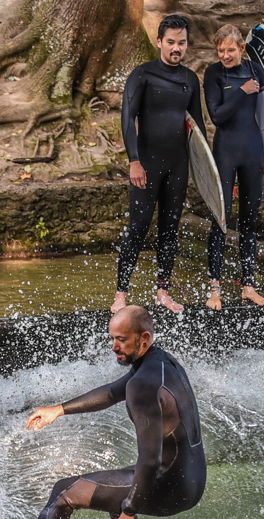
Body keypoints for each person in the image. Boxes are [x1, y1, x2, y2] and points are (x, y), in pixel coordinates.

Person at [0, 306, 206, 519]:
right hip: (191, 479)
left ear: (144, 338)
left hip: (171, 488)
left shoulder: (144, 387)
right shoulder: (160, 364)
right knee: (113, 482)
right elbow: (113, 391)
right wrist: (58, 410)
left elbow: (149, 461)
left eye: (122, 340)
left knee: (64, 493)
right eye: (112, 338)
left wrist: (128, 513)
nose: (114, 347)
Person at [114, 14, 205, 315]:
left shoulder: (191, 80)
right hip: (147, 164)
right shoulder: (142, 75)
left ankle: (162, 291)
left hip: (178, 165)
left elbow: (198, 129)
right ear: (159, 42)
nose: (176, 48)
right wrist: (134, 161)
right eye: (171, 42)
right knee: (138, 227)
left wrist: (208, 173)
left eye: (181, 43)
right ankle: (121, 293)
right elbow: (128, 119)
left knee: (170, 229)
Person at [203, 24, 264, 311]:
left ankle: (248, 285)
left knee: (250, 220)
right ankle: (215, 287)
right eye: (220, 51)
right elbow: (217, 116)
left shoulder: (256, 70)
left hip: (253, 150)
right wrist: (242, 92)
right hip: (226, 151)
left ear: (241, 48)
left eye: (230, 50)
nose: (225, 55)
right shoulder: (214, 74)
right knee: (221, 218)